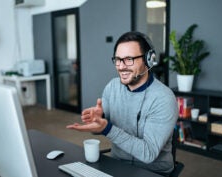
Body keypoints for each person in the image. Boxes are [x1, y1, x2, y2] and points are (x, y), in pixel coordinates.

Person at [66, 31, 178, 175]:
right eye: (118, 59)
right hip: (117, 165)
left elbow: (148, 154)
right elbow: (99, 129)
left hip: (152, 172)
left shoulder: (163, 98)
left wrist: (107, 128)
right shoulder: (112, 87)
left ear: (148, 60)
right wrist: (97, 122)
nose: (121, 66)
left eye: (129, 59)